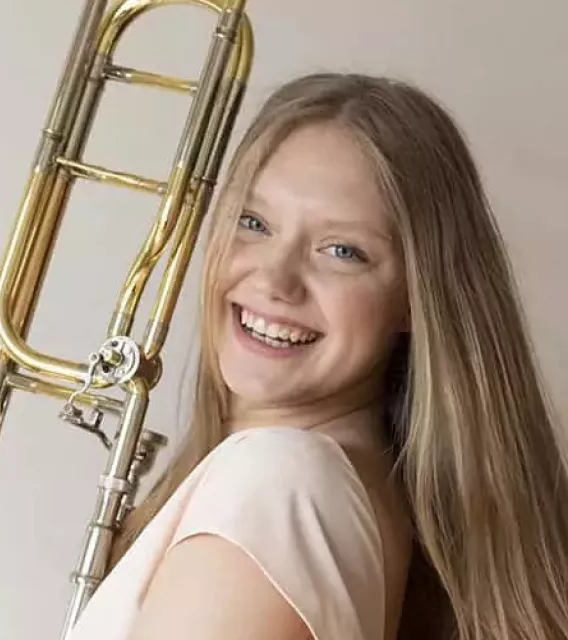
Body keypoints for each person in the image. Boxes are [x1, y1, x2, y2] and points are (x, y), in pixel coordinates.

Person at [65, 73, 568, 640]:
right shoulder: (326, 493)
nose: (275, 280)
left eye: (342, 250)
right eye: (254, 223)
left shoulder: (279, 486)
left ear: (416, 298)